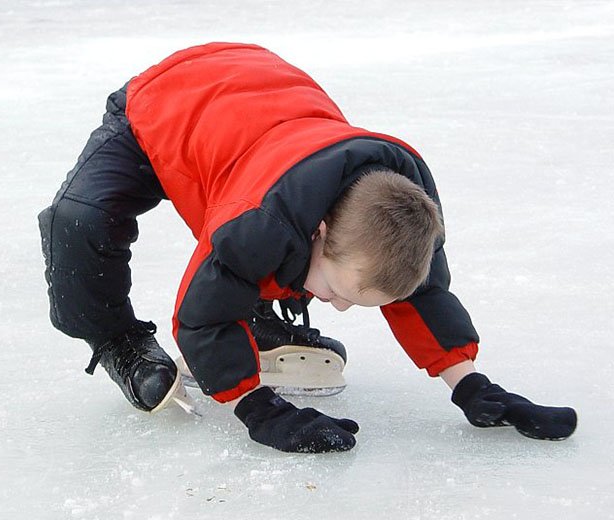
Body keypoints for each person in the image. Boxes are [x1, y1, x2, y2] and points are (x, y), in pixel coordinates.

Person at [38, 42, 577, 453]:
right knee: (77, 220)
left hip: (261, 123)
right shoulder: (261, 221)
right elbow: (199, 316)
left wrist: (472, 384)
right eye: (341, 294)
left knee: (273, 248)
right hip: (161, 102)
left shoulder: (408, 209)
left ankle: (258, 321)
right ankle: (118, 343)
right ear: (320, 230)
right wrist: (259, 411)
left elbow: (424, 293)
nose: (338, 308)